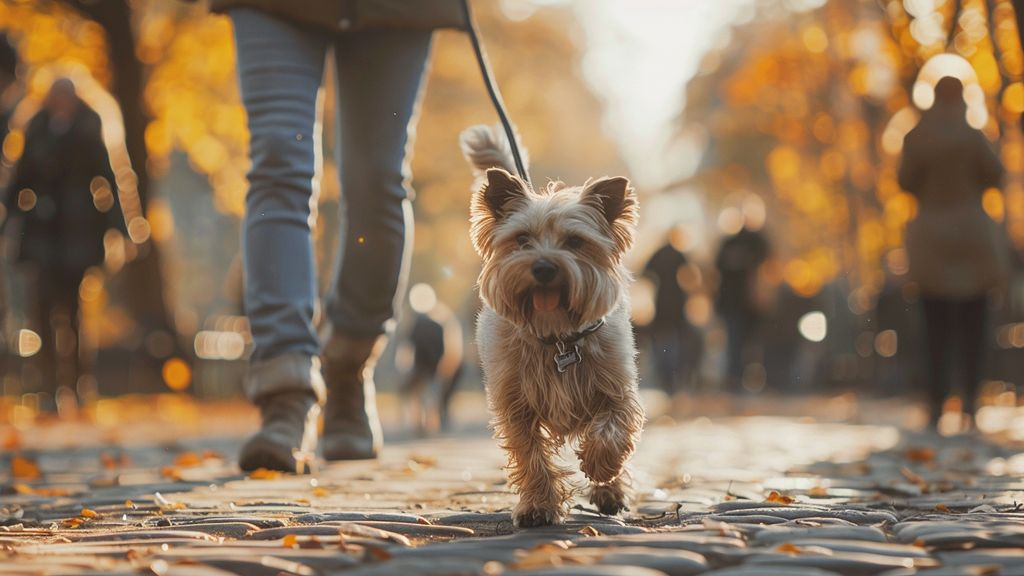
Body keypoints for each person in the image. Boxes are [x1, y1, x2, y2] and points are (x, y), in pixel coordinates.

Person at [207, 0, 464, 471]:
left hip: (393, 12)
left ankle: (348, 362)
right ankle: (285, 391)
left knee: (377, 182)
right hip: (272, 9)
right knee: (278, 161)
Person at [2, 78, 124, 407]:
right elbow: (20, 181)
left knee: (73, 312)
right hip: (41, 234)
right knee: (40, 311)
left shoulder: (89, 127)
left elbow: (107, 179)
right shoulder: (35, 128)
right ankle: (46, 388)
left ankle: (77, 383)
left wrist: (122, 229)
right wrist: (8, 220)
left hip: (78, 233)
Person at [899, 76, 1007, 431]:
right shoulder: (974, 135)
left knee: (934, 326)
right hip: (973, 239)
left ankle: (935, 403)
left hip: (931, 237)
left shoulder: (916, 136)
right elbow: (996, 175)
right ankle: (971, 403)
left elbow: (904, 181)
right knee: (975, 324)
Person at [714, 211, 769, 390]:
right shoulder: (738, 243)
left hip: (747, 304)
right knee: (739, 342)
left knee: (739, 343)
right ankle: (738, 379)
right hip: (740, 304)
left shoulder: (750, 242)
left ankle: (738, 378)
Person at [642, 226, 694, 396]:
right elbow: (691, 276)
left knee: (662, 340)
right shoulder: (679, 254)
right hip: (677, 303)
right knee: (676, 342)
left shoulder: (658, 253)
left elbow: (645, 273)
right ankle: (673, 378)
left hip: (662, 302)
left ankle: (665, 377)